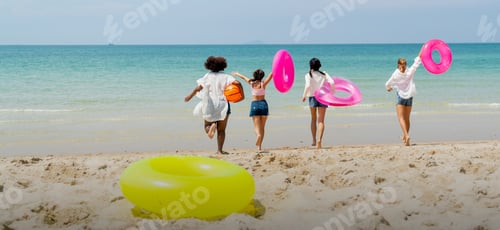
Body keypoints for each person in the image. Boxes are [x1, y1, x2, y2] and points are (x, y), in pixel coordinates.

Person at [185, 56, 241, 154]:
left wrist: (190, 96)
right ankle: (219, 150)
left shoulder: (207, 76)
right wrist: (242, 96)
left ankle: (210, 128)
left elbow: (199, 88)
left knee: (207, 124)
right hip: (223, 104)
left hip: (210, 104)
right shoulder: (226, 76)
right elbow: (238, 83)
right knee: (222, 130)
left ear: (209, 66)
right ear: (223, 66)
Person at [385, 47, 423, 146]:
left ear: (398, 65)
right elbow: (418, 60)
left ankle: (406, 136)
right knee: (407, 118)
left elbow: (388, 84)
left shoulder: (395, 74)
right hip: (410, 97)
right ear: (405, 64)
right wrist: (424, 48)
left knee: (401, 118)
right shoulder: (410, 71)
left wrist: (389, 88)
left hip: (401, 97)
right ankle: (406, 137)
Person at [232, 70, 273, 152]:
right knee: (262, 127)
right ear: (262, 76)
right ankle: (259, 147)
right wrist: (277, 66)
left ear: (254, 75)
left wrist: (237, 74)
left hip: (255, 105)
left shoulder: (251, 83)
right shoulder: (263, 84)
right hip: (263, 104)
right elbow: (271, 75)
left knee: (256, 126)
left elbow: (243, 78)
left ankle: (258, 136)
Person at [301, 58, 335, 149]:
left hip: (312, 97)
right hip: (323, 97)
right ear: (319, 65)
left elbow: (308, 86)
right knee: (321, 121)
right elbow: (332, 82)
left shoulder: (308, 75)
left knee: (313, 119)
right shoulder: (324, 74)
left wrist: (304, 95)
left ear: (310, 66)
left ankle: (314, 140)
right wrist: (331, 93)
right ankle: (319, 139)